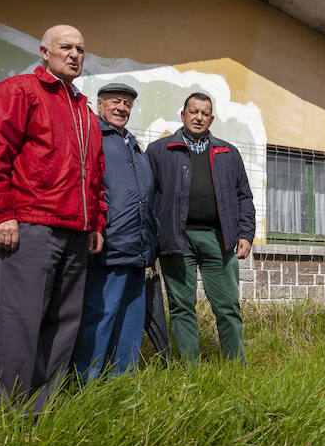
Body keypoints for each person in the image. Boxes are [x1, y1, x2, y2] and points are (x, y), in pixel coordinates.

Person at [0, 24, 106, 413]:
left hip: (76, 232)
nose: (75, 54)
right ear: (44, 52)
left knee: (65, 323)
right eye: (66, 47)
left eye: (81, 48)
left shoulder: (84, 110)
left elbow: (94, 173)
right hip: (30, 226)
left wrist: (96, 221)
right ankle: (9, 409)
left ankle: (41, 406)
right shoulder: (18, 91)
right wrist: (0, 214)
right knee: (21, 319)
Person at [146, 92, 255, 363]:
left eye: (205, 113)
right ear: (182, 115)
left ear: (212, 119)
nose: (199, 117)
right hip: (175, 239)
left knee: (227, 306)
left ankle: (236, 367)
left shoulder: (228, 153)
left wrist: (245, 233)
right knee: (182, 306)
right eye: (194, 112)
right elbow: (148, 197)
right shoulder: (159, 151)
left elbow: (244, 196)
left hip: (219, 238)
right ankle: (189, 369)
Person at [73, 82, 159, 379]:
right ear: (99, 106)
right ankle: (87, 380)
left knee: (130, 317)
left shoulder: (133, 145)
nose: (122, 108)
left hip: (137, 248)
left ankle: (121, 378)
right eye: (115, 102)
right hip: (108, 244)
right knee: (102, 313)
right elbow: (87, 186)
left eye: (127, 104)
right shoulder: (93, 135)